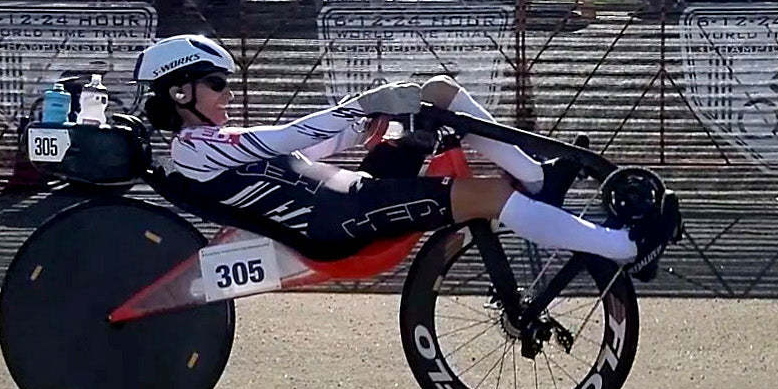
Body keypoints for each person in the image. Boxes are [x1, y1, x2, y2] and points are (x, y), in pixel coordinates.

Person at [133, 34, 679, 278]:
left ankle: (537, 179)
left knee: (437, 93)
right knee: (488, 196)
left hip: (347, 190)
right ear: (180, 93)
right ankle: (623, 247)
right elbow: (285, 141)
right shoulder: (194, 148)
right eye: (215, 82)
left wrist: (366, 127)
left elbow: (307, 152)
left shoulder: (206, 144)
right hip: (337, 219)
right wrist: (359, 107)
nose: (227, 91)